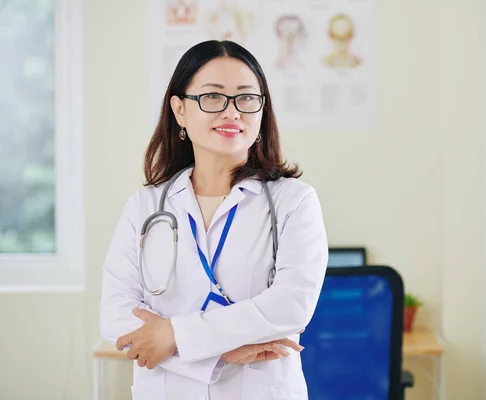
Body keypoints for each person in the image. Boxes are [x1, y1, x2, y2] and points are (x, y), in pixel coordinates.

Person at [100, 40, 328, 400]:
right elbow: (117, 317)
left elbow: (291, 306)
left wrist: (173, 337)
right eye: (212, 97)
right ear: (179, 111)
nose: (232, 112)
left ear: (262, 109)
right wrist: (217, 352)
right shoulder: (145, 207)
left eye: (246, 98)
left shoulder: (293, 201)